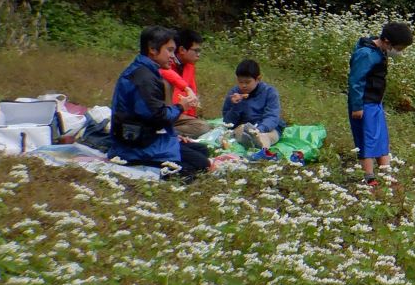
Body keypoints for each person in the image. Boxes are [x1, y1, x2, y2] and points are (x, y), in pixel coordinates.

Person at [111, 26, 210, 177]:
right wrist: (181, 107)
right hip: (136, 144)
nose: (172, 56)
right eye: (169, 50)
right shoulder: (144, 78)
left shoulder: (146, 71)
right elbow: (159, 116)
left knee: (202, 150)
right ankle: (153, 167)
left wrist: (171, 134)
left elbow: (153, 116)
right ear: (153, 49)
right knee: (202, 164)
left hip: (145, 133)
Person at [348, 21, 413, 185]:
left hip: (375, 102)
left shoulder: (380, 51)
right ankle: (368, 176)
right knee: (366, 137)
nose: (398, 52)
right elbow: (356, 81)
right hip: (364, 104)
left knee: (380, 136)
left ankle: (386, 172)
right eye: (398, 49)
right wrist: (357, 107)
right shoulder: (366, 54)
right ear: (386, 41)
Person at [219, 59, 286, 151]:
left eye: (247, 82)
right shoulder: (234, 93)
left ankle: (261, 147)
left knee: (267, 137)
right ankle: (248, 142)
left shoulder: (269, 92)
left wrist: (260, 129)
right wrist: (236, 106)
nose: (243, 86)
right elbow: (227, 122)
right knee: (239, 132)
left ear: (258, 79)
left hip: (266, 128)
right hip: (243, 127)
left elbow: (272, 116)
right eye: (240, 82)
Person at [161, 28, 208, 139]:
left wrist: (191, 115)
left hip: (179, 113)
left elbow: (192, 93)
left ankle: (170, 132)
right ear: (182, 50)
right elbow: (165, 72)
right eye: (196, 51)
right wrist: (186, 88)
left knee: (203, 127)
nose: (198, 55)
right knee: (203, 127)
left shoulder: (189, 67)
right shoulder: (166, 63)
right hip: (165, 111)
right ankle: (162, 131)